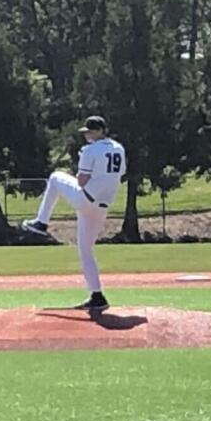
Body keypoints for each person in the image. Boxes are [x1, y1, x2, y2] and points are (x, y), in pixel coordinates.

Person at [21, 116, 126, 311]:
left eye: (90, 130)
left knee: (55, 177)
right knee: (86, 250)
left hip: (85, 198)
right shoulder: (119, 148)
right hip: (102, 207)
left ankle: (41, 222)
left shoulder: (90, 150)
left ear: (100, 131)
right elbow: (117, 175)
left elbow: (81, 181)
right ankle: (97, 296)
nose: (86, 134)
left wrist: (82, 165)